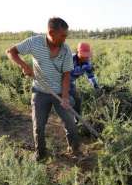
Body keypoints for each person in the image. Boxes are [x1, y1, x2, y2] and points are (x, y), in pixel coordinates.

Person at [6, 17, 81, 161]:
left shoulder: (65, 50)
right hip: (40, 91)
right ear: (51, 33)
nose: (65, 39)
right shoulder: (34, 42)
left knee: (70, 123)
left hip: (59, 92)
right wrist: (24, 66)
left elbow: (66, 75)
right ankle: (41, 154)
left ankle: (75, 150)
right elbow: (11, 52)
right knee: (38, 126)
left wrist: (65, 97)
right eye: (63, 35)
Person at [70, 42, 101, 121]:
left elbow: (91, 76)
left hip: (70, 83)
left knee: (77, 101)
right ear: (78, 52)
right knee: (69, 101)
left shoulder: (87, 63)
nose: (85, 57)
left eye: (87, 55)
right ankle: (68, 122)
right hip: (59, 81)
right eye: (83, 55)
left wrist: (96, 87)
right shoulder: (70, 59)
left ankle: (77, 120)